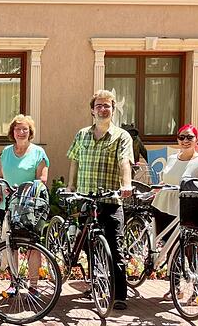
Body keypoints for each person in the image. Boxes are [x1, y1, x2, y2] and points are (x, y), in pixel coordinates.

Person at [67, 90, 133, 311]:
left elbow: (125, 162)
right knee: (89, 245)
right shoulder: (82, 134)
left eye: (107, 106)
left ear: (113, 110)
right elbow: (74, 160)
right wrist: (71, 185)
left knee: (115, 246)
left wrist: (126, 185)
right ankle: (96, 285)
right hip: (86, 197)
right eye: (99, 106)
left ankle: (119, 294)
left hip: (111, 199)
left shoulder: (121, 136)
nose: (103, 109)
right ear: (92, 110)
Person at [152, 123, 198, 300]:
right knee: (171, 248)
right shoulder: (173, 158)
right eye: (181, 137)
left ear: (196, 139)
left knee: (192, 249)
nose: (185, 140)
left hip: (188, 208)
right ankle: (175, 288)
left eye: (189, 137)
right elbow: (167, 180)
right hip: (164, 205)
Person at [0, 114, 49, 292]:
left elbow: (42, 179)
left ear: (30, 132)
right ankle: (15, 282)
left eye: (25, 129)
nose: (21, 132)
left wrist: (24, 190)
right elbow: (0, 176)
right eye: (18, 129)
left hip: (30, 206)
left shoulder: (38, 153)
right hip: (8, 205)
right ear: (13, 132)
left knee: (32, 245)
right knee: (12, 246)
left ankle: (33, 286)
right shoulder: (6, 152)